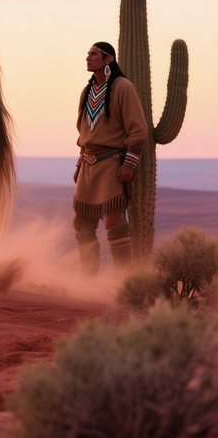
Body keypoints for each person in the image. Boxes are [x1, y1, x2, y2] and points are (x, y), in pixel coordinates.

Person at [72, 42, 148, 275]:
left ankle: (123, 280)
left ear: (108, 60)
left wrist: (130, 163)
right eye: (88, 54)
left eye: (93, 54)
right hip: (88, 163)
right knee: (82, 223)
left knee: (115, 221)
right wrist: (79, 163)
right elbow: (83, 131)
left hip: (111, 163)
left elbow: (138, 129)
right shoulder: (87, 91)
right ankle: (89, 279)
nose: (88, 58)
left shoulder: (123, 87)